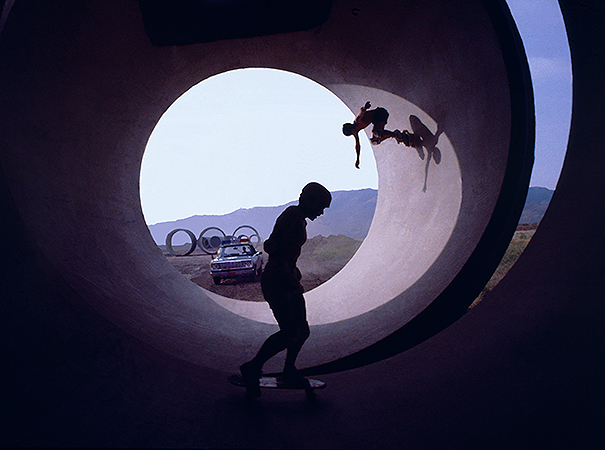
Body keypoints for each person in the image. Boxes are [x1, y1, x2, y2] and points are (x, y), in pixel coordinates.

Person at [239, 182, 332, 397]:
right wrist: (286, 272)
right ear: (310, 200)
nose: (321, 212)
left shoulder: (297, 218)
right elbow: (273, 246)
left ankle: (288, 369)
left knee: (302, 331)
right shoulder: (292, 217)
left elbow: (277, 247)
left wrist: (292, 272)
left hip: (287, 279)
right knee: (291, 332)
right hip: (278, 281)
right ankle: (253, 367)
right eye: (321, 206)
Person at [342, 101, 419, 168]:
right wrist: (358, 159)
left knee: (376, 133)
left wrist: (365, 107)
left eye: (352, 133)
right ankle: (399, 136)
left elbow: (360, 114)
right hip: (376, 120)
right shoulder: (356, 131)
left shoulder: (357, 122)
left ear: (352, 129)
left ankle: (398, 135)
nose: (354, 134)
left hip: (380, 113)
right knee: (374, 141)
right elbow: (357, 145)